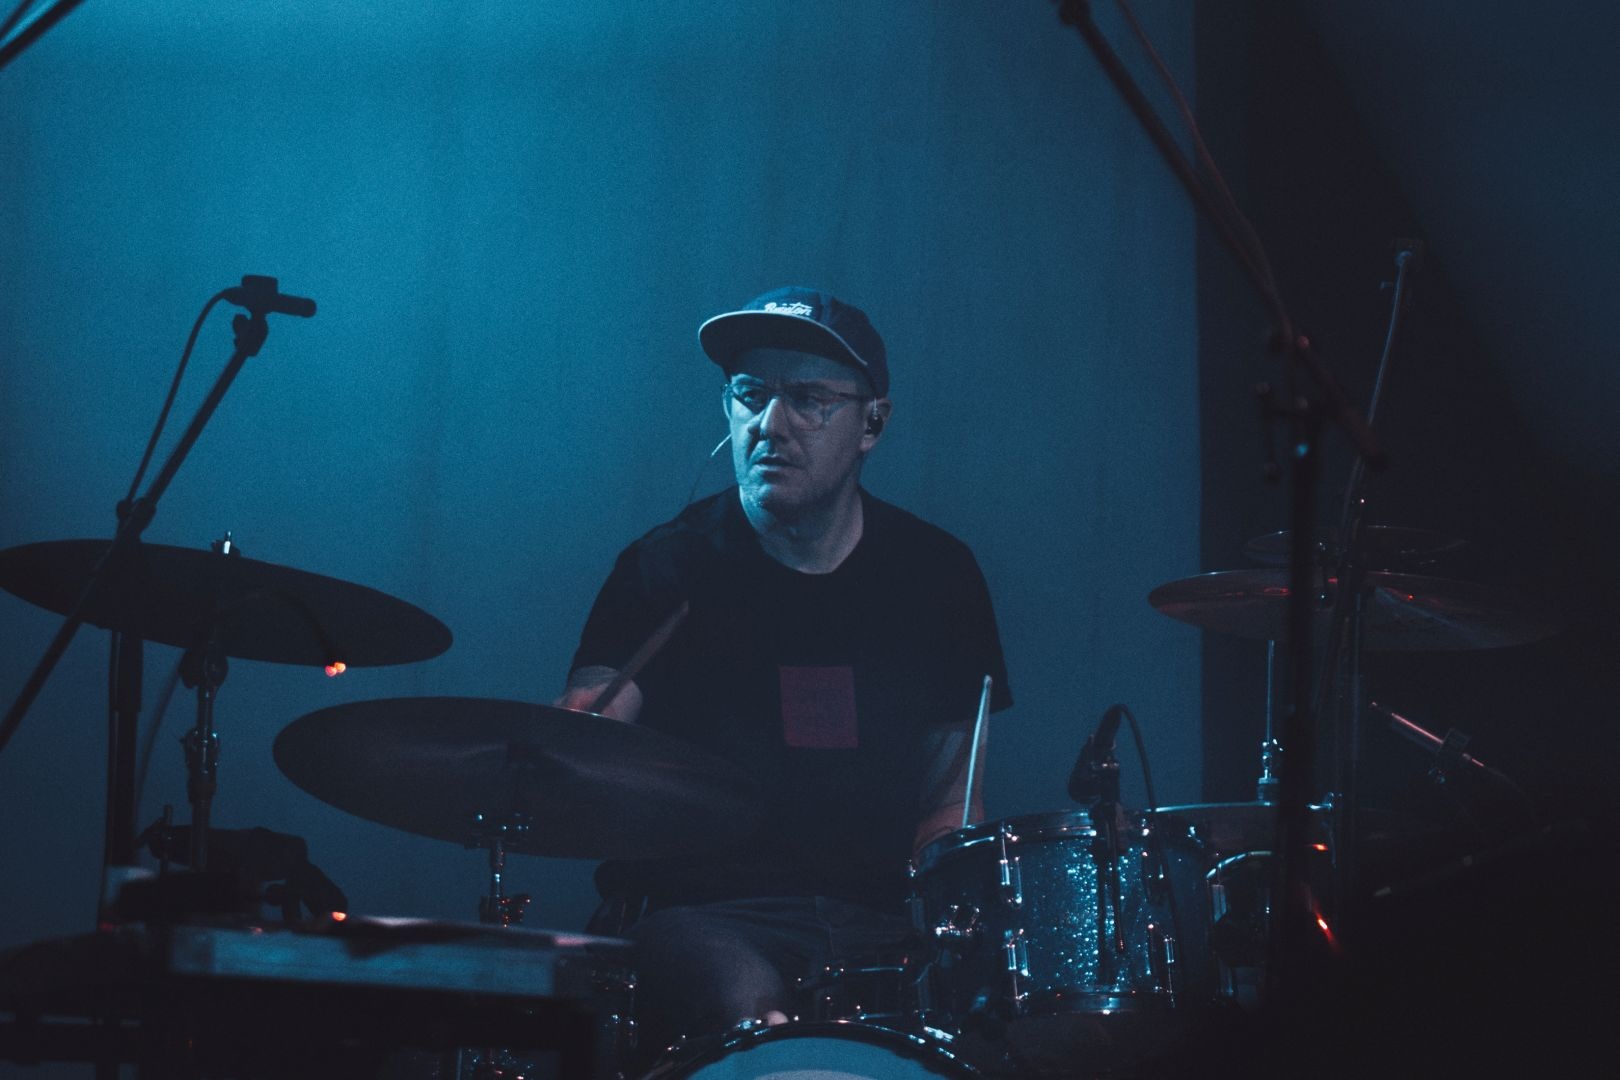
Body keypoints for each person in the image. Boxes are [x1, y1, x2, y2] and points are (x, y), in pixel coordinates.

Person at [554, 286, 1012, 1065]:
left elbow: (950, 800)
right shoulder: (667, 567)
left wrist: (948, 933)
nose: (770, 424)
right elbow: (588, 738)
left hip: (875, 921)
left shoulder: (938, 576)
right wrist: (562, 748)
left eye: (807, 400)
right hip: (702, 914)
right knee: (750, 1008)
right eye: (750, 394)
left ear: (873, 423)